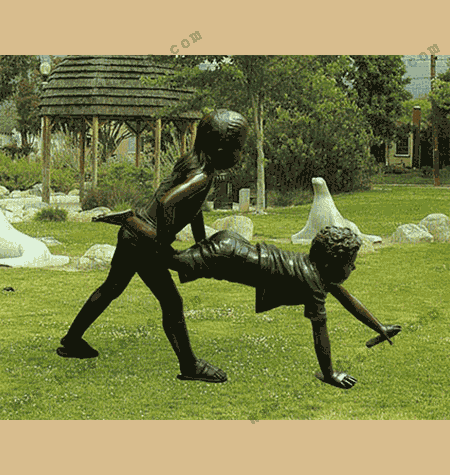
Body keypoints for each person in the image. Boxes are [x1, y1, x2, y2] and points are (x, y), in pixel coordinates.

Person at [57, 109, 249, 384]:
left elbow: (193, 209)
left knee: (111, 288)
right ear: (221, 149)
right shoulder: (202, 176)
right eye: (239, 147)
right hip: (144, 240)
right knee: (171, 302)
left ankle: (71, 341)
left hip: (133, 235)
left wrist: (200, 244)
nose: (240, 153)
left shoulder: (193, 163)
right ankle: (189, 365)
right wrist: (162, 244)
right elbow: (168, 202)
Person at [167, 226, 402, 389]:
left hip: (232, 245)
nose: (354, 268)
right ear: (331, 264)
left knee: (167, 258)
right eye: (351, 264)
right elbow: (320, 331)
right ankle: (142, 229)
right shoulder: (313, 283)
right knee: (168, 258)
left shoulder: (318, 271)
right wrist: (329, 374)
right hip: (228, 255)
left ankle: (145, 234)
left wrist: (379, 327)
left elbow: (346, 297)